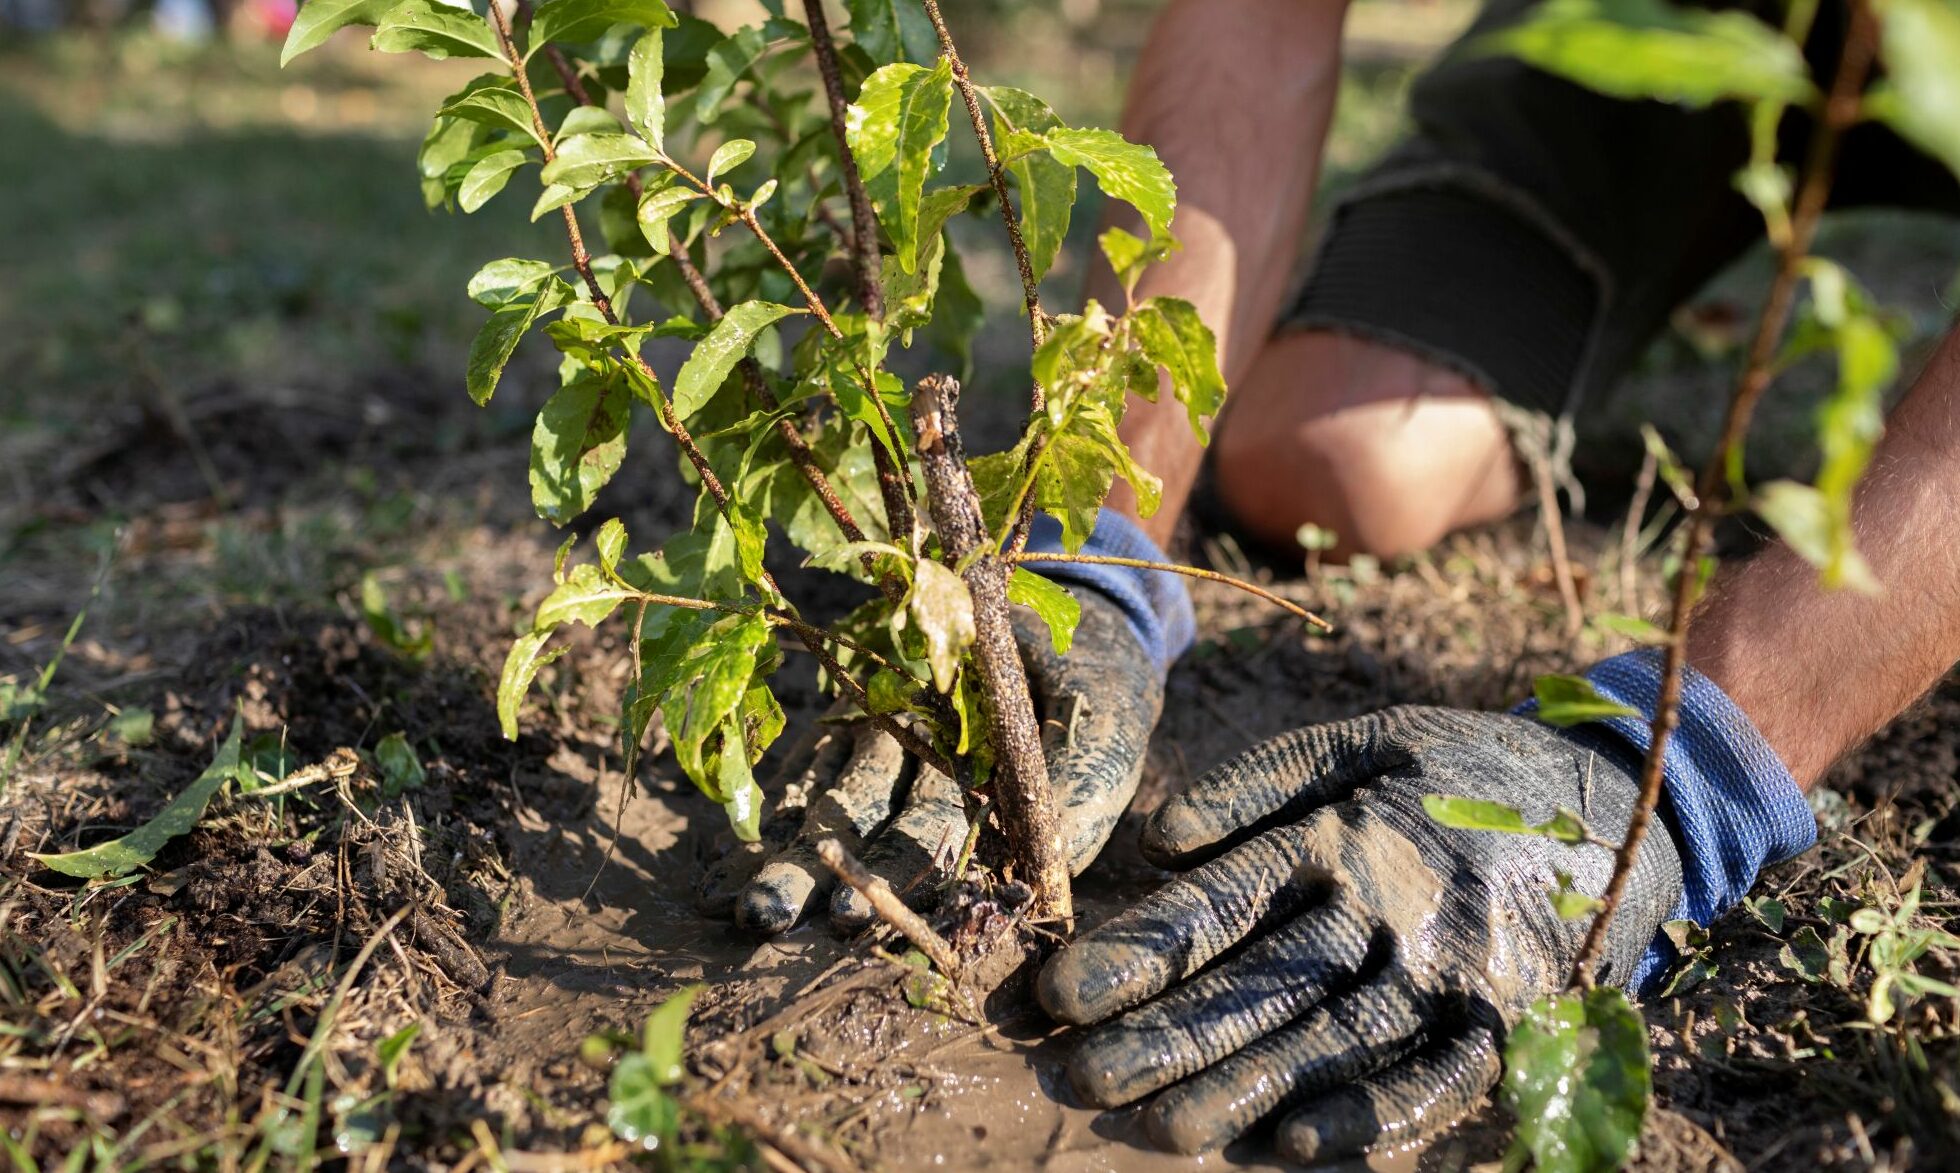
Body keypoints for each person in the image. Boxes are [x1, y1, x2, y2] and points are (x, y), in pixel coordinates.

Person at [701, 0, 1960, 1160]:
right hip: (1663, 34)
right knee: (1333, 463)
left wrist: (1683, 764)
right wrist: (1093, 536)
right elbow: (1253, 24)